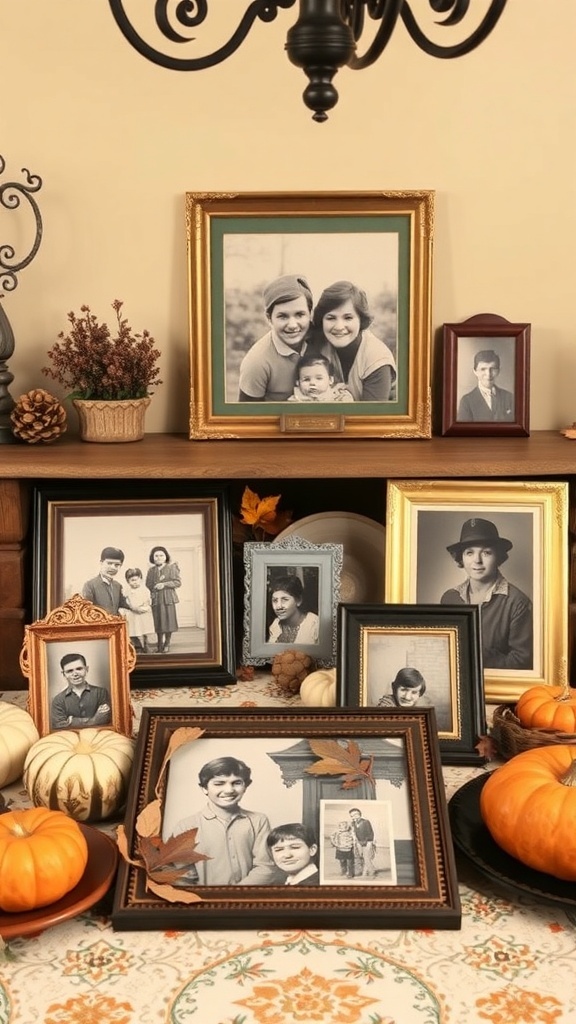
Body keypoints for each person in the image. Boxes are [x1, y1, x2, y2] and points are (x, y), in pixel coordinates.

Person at [170, 756, 282, 886]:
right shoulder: (186, 826)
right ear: (204, 788)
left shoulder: (258, 821)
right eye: (219, 783)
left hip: (248, 899)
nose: (229, 790)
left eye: (237, 783)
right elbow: (183, 875)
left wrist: (234, 896)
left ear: (245, 786)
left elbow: (266, 868)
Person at [440, 517, 533, 670]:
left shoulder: (518, 603)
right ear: (461, 558)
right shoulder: (449, 598)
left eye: (486, 553)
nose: (477, 560)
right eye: (469, 553)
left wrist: (473, 654)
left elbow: (522, 662)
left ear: (499, 557)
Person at [309, 280, 397, 401]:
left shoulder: (377, 359)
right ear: (322, 320)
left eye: (348, 318)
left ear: (361, 319)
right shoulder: (318, 341)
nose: (339, 327)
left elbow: (372, 417)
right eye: (331, 318)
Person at [238, 274, 314, 401]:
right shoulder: (256, 362)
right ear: (269, 318)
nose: (292, 325)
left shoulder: (323, 339)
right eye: (283, 316)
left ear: (310, 314)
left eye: (300, 314)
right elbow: (246, 417)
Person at [50, 652, 111, 731]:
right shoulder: (58, 700)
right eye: (69, 671)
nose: (75, 674)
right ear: (63, 674)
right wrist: (94, 720)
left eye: (79, 669)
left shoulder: (101, 692)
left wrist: (72, 721)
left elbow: (105, 720)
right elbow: (59, 727)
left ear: (86, 669)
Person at [457, 349, 515, 422]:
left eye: (492, 368)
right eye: (483, 369)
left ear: (498, 371)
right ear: (475, 372)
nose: (488, 374)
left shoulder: (509, 397)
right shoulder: (467, 401)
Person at [145, 545, 181, 654]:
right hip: (156, 599)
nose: (159, 557)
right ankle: (159, 643)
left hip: (168, 598)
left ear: (166, 557)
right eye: (156, 556)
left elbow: (177, 582)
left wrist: (164, 584)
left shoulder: (171, 568)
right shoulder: (151, 570)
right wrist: (154, 586)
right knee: (158, 622)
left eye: (161, 555)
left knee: (168, 621)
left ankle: (167, 643)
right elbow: (148, 584)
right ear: (153, 557)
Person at [268, 574, 319, 645]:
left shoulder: (314, 625)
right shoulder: (275, 625)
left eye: (285, 599)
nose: (279, 606)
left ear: (298, 601)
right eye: (275, 600)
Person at [287, 352, 354, 403]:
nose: (312, 383)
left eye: (319, 378)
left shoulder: (338, 396)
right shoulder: (295, 400)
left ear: (330, 380)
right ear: (298, 383)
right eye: (307, 379)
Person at [82, 546, 129, 615]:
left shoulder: (118, 586)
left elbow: (126, 606)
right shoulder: (90, 585)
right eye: (109, 563)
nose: (113, 568)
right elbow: (86, 612)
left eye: (117, 565)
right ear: (101, 563)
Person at [122, 567, 155, 654]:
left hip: (143, 613)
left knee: (144, 630)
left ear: (140, 579)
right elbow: (126, 601)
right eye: (132, 580)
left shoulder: (145, 590)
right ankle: (136, 647)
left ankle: (146, 645)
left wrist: (142, 609)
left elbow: (147, 602)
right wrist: (132, 607)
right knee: (133, 630)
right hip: (132, 614)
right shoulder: (127, 591)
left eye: (136, 580)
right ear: (128, 581)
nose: (135, 582)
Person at [349, 807, 376, 877]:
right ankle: (364, 873)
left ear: (359, 814)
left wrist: (368, 842)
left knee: (366, 857)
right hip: (359, 842)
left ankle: (371, 872)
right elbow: (354, 832)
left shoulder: (366, 822)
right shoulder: (353, 823)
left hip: (368, 841)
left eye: (355, 815)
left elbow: (370, 833)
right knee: (362, 857)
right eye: (351, 816)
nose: (353, 817)